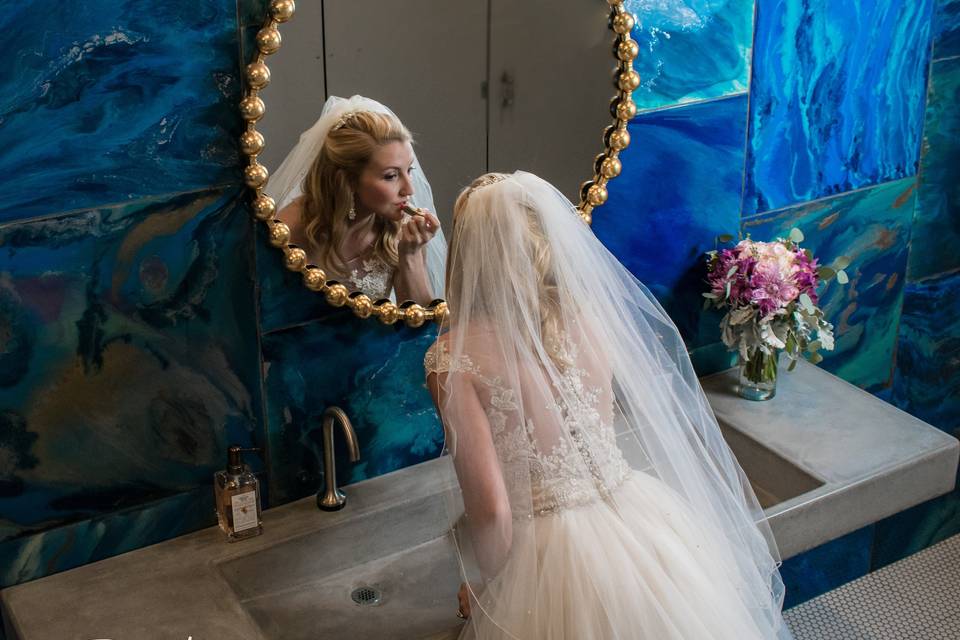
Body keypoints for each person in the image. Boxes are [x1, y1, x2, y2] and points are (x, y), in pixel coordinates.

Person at [425, 172, 794, 639]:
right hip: (641, 521)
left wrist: (489, 590)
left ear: (466, 258)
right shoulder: (590, 318)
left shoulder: (454, 359)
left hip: (549, 553)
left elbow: (493, 509)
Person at [267, 95, 445, 304]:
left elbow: (419, 328)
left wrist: (410, 255)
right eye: (391, 176)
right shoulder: (290, 230)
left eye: (409, 170)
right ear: (347, 180)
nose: (409, 189)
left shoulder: (404, 232)